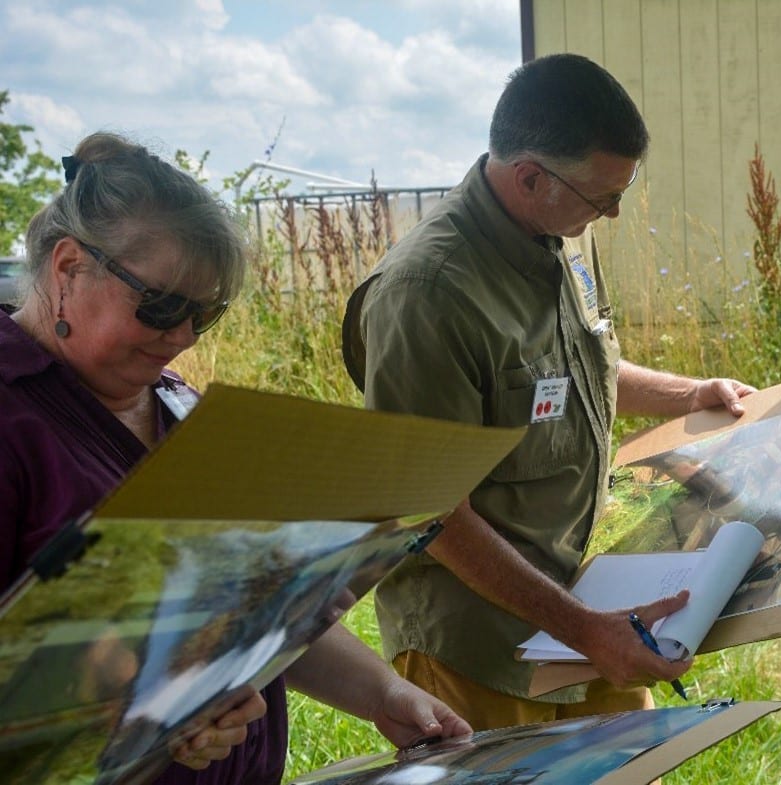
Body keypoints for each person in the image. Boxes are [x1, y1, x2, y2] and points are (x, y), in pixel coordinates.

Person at [0, 132, 472, 785]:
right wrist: (152, 721)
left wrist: (381, 693)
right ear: (69, 266)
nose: (183, 336)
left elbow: (252, 614)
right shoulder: (12, 418)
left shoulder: (177, 403)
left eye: (206, 314)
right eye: (162, 305)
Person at [341, 53, 756, 730]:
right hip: (476, 645)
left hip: (580, 604)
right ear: (530, 177)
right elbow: (428, 512)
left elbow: (574, 372)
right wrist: (586, 629)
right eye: (602, 197)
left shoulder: (562, 232)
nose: (613, 213)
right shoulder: (425, 293)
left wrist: (689, 394)